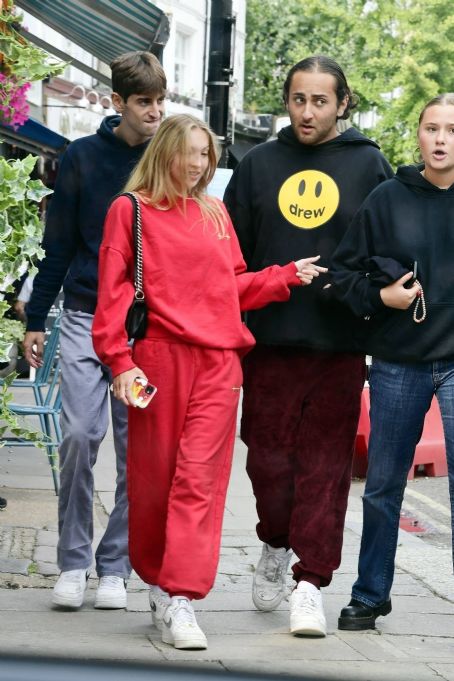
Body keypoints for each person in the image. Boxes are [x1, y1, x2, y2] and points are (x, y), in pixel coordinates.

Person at [92, 113, 326, 650]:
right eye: (190, 152)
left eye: (207, 155)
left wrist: (283, 276)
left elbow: (231, 287)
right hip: (157, 360)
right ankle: (155, 573)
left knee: (200, 481)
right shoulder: (129, 211)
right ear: (165, 153)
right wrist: (120, 362)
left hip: (220, 363)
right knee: (154, 481)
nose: (199, 164)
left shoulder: (215, 211)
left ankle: (182, 596)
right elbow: (111, 296)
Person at [223, 55, 394, 637]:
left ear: (342, 103)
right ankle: (274, 540)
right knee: (267, 462)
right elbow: (231, 255)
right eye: (299, 99)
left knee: (325, 467)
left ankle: (310, 581)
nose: (308, 111)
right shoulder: (257, 164)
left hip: (338, 345)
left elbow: (385, 248)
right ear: (287, 101)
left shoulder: (369, 164)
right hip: (268, 342)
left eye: (321, 101)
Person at [22, 51, 167, 610]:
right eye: (143, 102)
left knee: (137, 451)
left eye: (160, 101)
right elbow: (57, 245)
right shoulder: (80, 157)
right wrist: (36, 319)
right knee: (79, 436)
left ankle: (116, 566)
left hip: (144, 330)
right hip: (84, 317)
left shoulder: (166, 157)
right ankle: (74, 562)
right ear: (117, 103)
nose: (154, 112)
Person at [330, 93, 454, 631]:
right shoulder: (386, 198)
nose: (442, 139)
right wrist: (383, 299)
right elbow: (342, 276)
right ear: (419, 135)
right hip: (398, 362)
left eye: (451, 129)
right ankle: (370, 593)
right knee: (382, 485)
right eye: (432, 128)